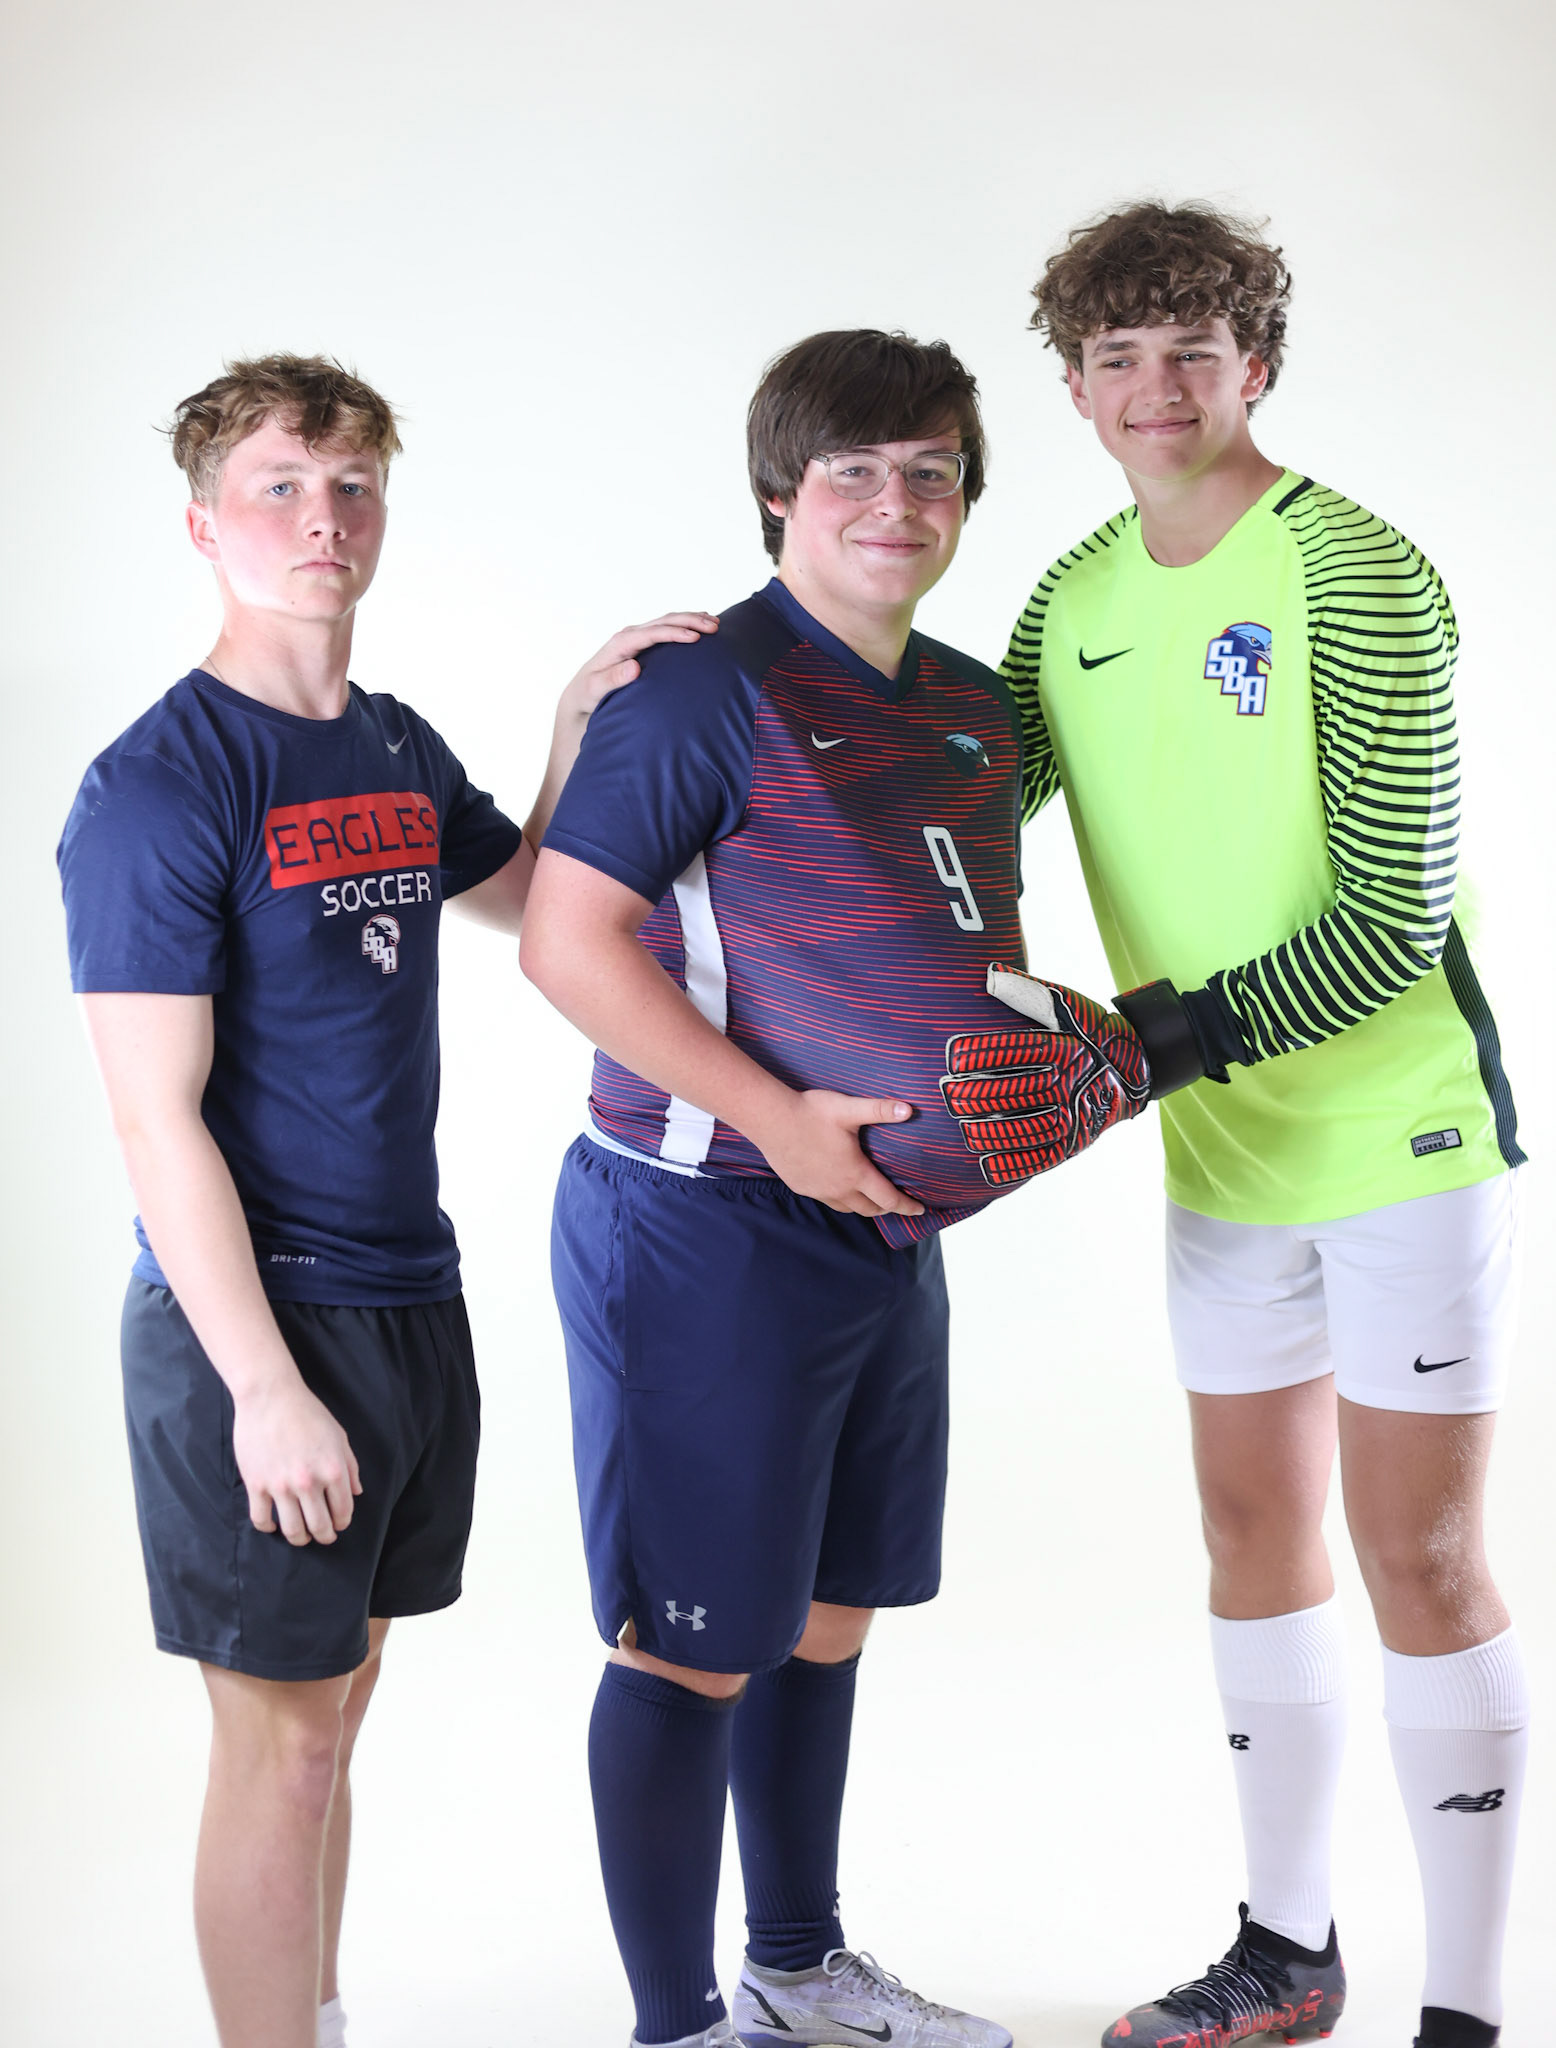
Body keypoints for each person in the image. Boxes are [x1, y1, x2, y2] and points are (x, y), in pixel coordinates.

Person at [57, 352, 715, 2048]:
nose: (320, 518)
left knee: (337, 1714)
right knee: (278, 1741)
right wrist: (264, 1387)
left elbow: (535, 899)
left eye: (349, 485)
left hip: (407, 1298)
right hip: (254, 1320)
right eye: (278, 486)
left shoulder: (393, 739)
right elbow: (152, 1123)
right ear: (202, 522)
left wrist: (575, 719)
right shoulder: (159, 784)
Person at [967, 203, 1526, 2048]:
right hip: (1220, 1151)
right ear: (1072, 388)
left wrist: (1134, 1042)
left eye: (1190, 350)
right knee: (1244, 1529)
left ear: (1255, 367)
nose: (1153, 388)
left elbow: (1389, 910)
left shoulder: (1354, 571)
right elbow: (967, 809)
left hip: (1396, 1138)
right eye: (1117, 358)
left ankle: (1466, 2004)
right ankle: (1290, 1956)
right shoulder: (1069, 601)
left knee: (1420, 1556)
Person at [519, 328, 1066, 2048]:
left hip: (882, 1232)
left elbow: (949, 948)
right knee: (691, 1638)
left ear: (968, 495)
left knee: (826, 1614)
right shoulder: (699, 691)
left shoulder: (976, 706)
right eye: (854, 471)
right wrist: (780, 1121)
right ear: (780, 496)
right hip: (702, 1223)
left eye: (930, 472)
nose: (895, 503)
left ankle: (798, 1967)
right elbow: (564, 936)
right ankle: (678, 2025)